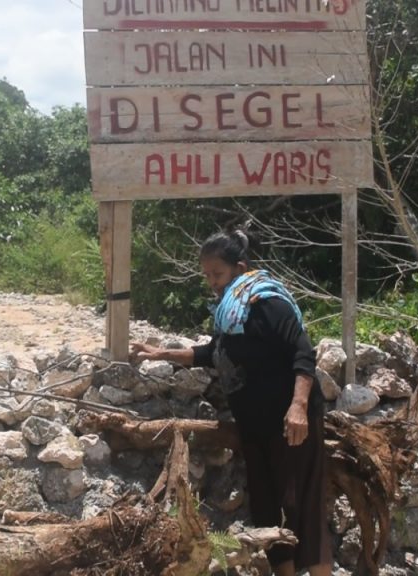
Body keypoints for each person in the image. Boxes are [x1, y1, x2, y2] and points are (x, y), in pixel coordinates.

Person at [132, 228, 331, 576]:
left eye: (218, 274)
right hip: (256, 427)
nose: (212, 282)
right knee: (270, 507)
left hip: (290, 424)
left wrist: (298, 406)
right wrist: (160, 352)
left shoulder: (266, 302)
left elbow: (302, 353)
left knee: (302, 505)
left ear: (240, 268)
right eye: (207, 275)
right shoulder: (231, 313)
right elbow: (214, 353)